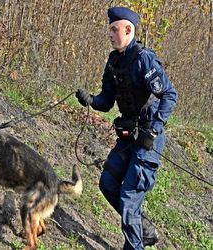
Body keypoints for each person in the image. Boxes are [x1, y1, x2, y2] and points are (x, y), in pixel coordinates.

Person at [76, 6, 177, 250]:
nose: (110, 34)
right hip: (128, 137)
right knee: (108, 184)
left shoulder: (144, 58)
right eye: (109, 29)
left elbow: (169, 95)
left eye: (114, 29)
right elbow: (107, 101)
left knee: (129, 198)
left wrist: (153, 130)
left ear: (128, 29)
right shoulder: (113, 60)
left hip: (148, 141)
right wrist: (90, 100)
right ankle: (143, 229)